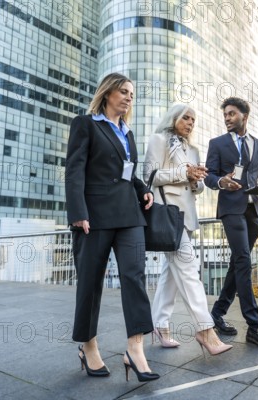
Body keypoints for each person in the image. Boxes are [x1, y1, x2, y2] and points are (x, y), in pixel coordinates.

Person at [65, 72, 160, 382]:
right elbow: (75, 170)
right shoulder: (86, 124)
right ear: (107, 93)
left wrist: (141, 190)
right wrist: (78, 212)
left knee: (135, 276)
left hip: (130, 215)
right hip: (94, 217)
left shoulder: (128, 133)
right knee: (90, 283)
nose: (129, 97)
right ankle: (88, 345)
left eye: (132, 93)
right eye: (123, 91)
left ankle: (135, 348)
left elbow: (128, 172)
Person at [144, 104, 232, 356]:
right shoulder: (159, 140)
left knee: (169, 277)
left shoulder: (192, 150)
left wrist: (195, 181)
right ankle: (205, 329)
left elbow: (199, 187)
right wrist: (183, 172)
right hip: (167, 214)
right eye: (186, 117)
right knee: (189, 268)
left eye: (193, 119)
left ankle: (160, 325)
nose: (190, 123)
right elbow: (149, 175)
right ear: (174, 118)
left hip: (187, 216)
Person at [204, 97, 258, 350]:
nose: (227, 118)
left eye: (231, 114)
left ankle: (216, 313)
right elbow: (209, 176)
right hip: (231, 209)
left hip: (253, 211)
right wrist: (221, 182)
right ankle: (255, 326)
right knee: (244, 261)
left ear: (244, 116)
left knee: (239, 261)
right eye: (225, 114)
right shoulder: (217, 144)